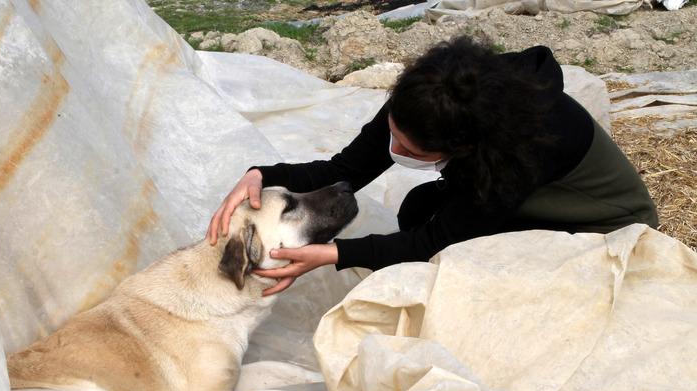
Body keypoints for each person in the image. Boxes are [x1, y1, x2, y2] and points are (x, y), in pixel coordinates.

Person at [207, 36, 658, 296]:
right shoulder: (433, 97)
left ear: (461, 147)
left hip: (600, 226)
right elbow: (344, 168)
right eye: (393, 130)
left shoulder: (524, 146)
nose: (393, 146)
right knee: (419, 205)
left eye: (411, 148)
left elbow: (433, 241)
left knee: (463, 265)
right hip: (523, 196)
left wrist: (338, 254)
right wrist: (263, 174)